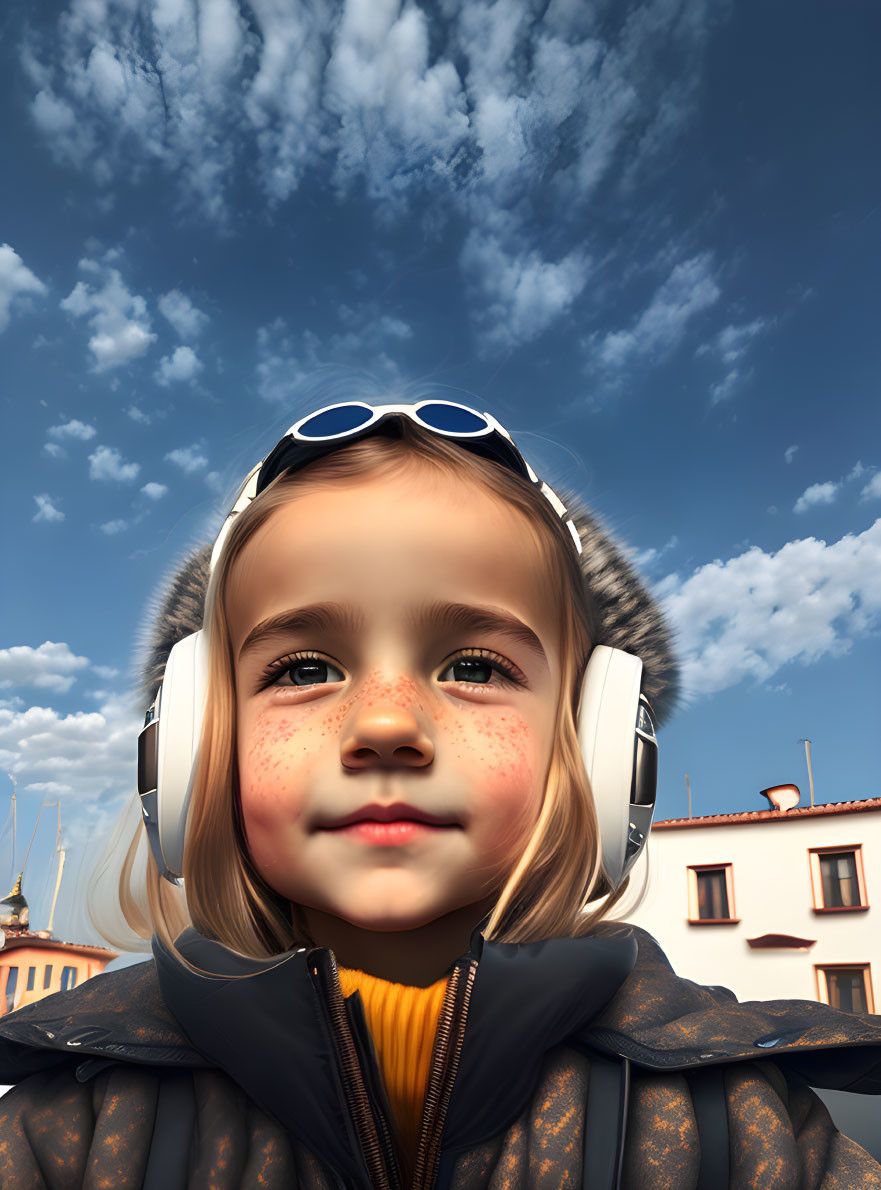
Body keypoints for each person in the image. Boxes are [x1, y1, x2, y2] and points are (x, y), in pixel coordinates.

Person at [1, 398, 880, 1190]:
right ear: (196, 750)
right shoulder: (72, 1122)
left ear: (597, 753)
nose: (386, 724)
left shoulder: (731, 1119)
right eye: (304, 668)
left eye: (472, 666)